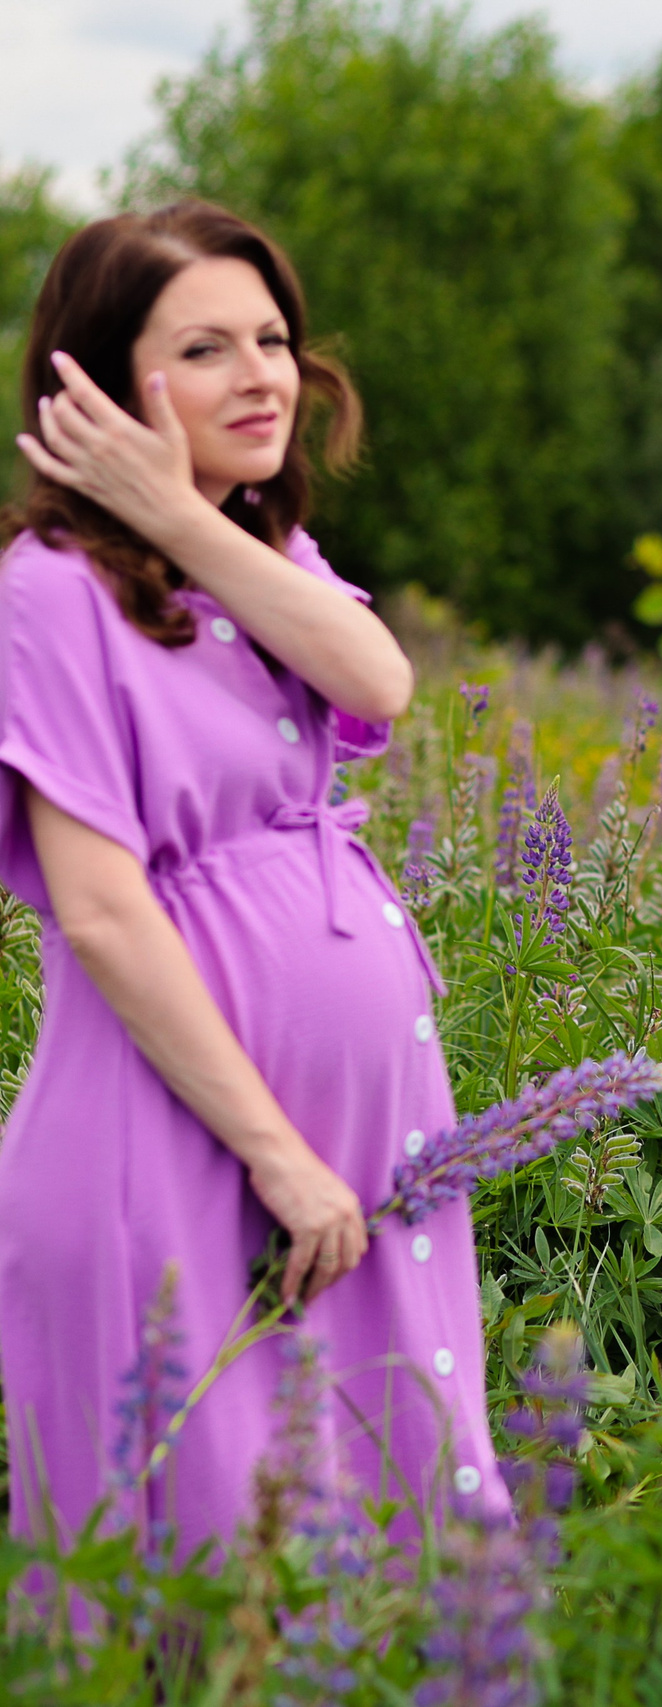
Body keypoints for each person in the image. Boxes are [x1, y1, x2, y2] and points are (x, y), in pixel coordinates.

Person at [0, 200, 506, 1558]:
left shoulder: (263, 560)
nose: (263, 375)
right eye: (209, 347)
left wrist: (184, 517)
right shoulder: (48, 592)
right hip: (184, 1147)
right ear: (105, 382)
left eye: (273, 338)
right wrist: (282, 1158)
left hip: (353, 1163)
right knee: (213, 1580)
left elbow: (378, 678)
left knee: (389, 1562)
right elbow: (101, 905)